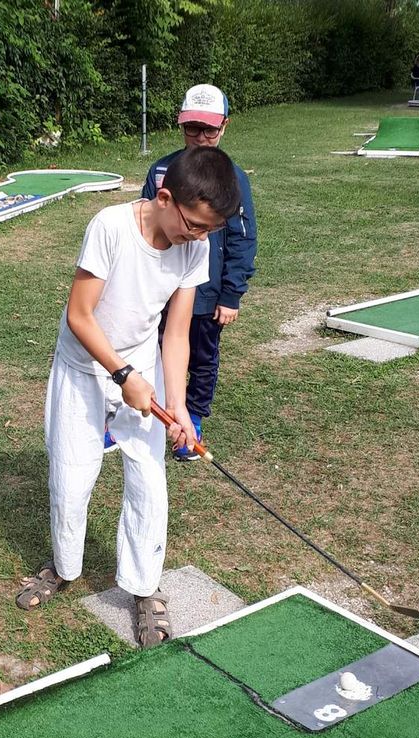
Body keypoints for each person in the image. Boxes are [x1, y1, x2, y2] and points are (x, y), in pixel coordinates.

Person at [16, 147, 241, 648]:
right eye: (192, 225)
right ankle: (63, 567)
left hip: (141, 367)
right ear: (164, 199)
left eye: (209, 230)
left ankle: (143, 587)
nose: (198, 238)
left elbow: (177, 333)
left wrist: (177, 403)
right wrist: (123, 375)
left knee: (148, 480)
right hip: (84, 369)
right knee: (72, 478)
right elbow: (79, 314)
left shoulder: (195, 247)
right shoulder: (110, 226)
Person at [135, 84, 256, 461]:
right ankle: (148, 416)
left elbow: (242, 238)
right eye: (192, 128)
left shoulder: (233, 179)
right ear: (181, 124)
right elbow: (143, 224)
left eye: (210, 130)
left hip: (206, 294)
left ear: (224, 127)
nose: (200, 138)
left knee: (202, 359)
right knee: (154, 351)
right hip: (162, 291)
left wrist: (231, 294)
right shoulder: (161, 170)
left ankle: (195, 417)